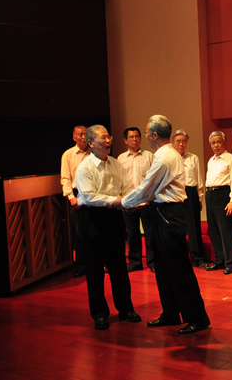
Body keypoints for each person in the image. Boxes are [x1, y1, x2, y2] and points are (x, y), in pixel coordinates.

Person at [118, 115, 210, 334]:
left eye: (146, 133)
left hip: (168, 214)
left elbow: (146, 189)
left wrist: (122, 203)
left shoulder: (165, 157)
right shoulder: (163, 154)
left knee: (178, 268)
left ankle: (197, 317)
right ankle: (170, 312)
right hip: (160, 212)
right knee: (162, 267)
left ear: (155, 135)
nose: (145, 137)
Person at [75, 125, 141, 330]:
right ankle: (99, 313)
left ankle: (125, 308)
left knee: (118, 264)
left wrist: (129, 201)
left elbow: (127, 187)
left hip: (114, 216)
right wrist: (116, 201)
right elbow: (89, 196)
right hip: (92, 217)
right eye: (103, 138)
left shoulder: (116, 164)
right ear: (90, 143)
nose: (108, 141)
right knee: (94, 268)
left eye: (108, 137)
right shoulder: (84, 167)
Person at [117, 127, 155, 272]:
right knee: (132, 233)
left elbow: (153, 178)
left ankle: (153, 262)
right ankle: (135, 262)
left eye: (137, 136)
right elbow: (119, 180)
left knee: (150, 233)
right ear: (125, 140)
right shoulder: (121, 159)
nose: (135, 139)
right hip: (129, 202)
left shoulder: (149, 156)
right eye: (131, 137)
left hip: (146, 201)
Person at [205, 131, 232, 274]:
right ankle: (219, 261)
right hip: (210, 195)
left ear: (225, 143)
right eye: (213, 143)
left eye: (219, 142)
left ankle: (230, 263)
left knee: (225, 231)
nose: (216, 145)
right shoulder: (211, 160)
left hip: (223, 194)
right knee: (214, 231)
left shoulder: (231, 158)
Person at [172, 129, 207, 269]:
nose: (181, 144)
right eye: (178, 141)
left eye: (184, 141)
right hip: (175, 193)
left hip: (191, 193)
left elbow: (199, 179)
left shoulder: (193, 158)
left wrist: (200, 197)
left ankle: (198, 259)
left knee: (194, 228)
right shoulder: (170, 158)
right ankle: (180, 260)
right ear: (173, 142)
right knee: (177, 229)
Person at [60, 125, 90, 277]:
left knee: (96, 231)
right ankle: (81, 265)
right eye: (80, 134)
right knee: (79, 233)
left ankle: (99, 263)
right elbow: (65, 178)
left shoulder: (94, 151)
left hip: (94, 194)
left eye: (86, 134)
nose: (83, 137)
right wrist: (71, 197)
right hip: (77, 194)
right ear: (74, 137)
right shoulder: (68, 154)